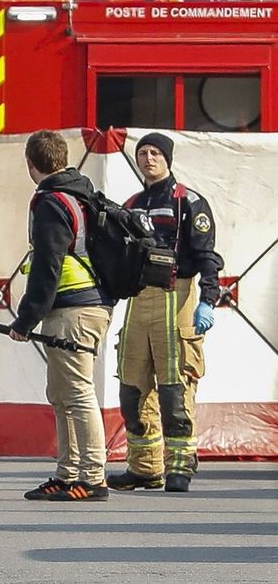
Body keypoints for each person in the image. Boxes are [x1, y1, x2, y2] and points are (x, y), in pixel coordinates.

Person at [108, 132, 222, 494]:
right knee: (132, 389)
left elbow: (207, 257)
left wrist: (208, 299)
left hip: (179, 297)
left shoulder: (189, 201)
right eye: (142, 153)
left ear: (168, 158)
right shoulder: (131, 203)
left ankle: (180, 467)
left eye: (156, 152)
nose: (148, 158)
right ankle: (144, 469)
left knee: (175, 390)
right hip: (138, 302)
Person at [9, 130, 114, 502]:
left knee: (79, 393)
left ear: (30, 163)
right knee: (61, 393)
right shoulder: (81, 194)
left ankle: (93, 476)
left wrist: (25, 321)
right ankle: (68, 474)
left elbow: (46, 266)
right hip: (88, 305)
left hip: (73, 308)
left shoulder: (52, 202)